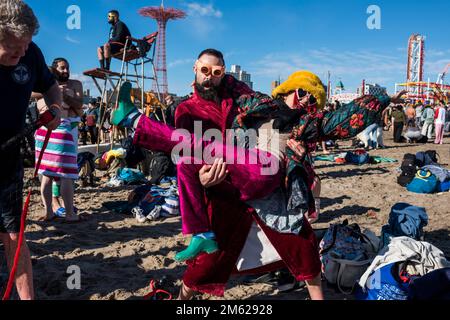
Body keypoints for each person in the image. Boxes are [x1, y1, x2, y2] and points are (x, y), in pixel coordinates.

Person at [112, 48, 406, 300]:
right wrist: (203, 180)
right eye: (204, 70)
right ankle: (184, 291)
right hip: (224, 190)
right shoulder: (191, 110)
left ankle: (135, 122)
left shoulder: (247, 100)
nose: (303, 100)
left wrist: (378, 101)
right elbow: (187, 161)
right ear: (195, 69)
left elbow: (340, 121)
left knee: (301, 243)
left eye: (217, 72)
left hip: (266, 183)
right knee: (208, 259)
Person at [0, 0, 62, 300]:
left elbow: (50, 86)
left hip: (8, 156)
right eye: (14, 46)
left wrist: (52, 106)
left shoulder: (30, 54)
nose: (22, 52)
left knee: (13, 233)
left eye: (26, 45)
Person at [34, 58, 83, 223]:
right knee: (67, 175)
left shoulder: (39, 88)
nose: (66, 70)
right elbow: (79, 111)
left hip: (42, 129)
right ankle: (70, 214)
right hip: (60, 128)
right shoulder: (54, 88)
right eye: (62, 68)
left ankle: (48, 212)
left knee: (46, 174)